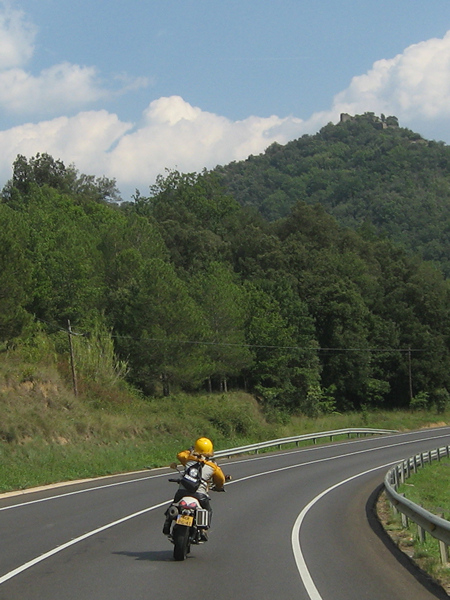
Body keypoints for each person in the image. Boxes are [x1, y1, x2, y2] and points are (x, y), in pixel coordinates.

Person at [163, 437, 226, 540]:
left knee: (174, 504)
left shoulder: (189, 459)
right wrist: (218, 487)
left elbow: (180, 455)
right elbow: (220, 480)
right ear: (210, 450)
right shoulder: (213, 467)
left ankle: (167, 523)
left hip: (182, 492)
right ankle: (203, 530)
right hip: (200, 495)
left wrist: (189, 450)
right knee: (208, 510)